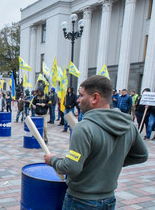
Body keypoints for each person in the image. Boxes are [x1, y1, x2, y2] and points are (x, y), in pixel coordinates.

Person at [45, 75, 148, 209]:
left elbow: (71, 167)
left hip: (81, 200)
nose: (78, 100)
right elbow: (142, 155)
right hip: (109, 200)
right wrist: (109, 163)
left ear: (95, 98)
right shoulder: (129, 126)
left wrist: (52, 160)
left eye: (81, 95)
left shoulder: (84, 128)